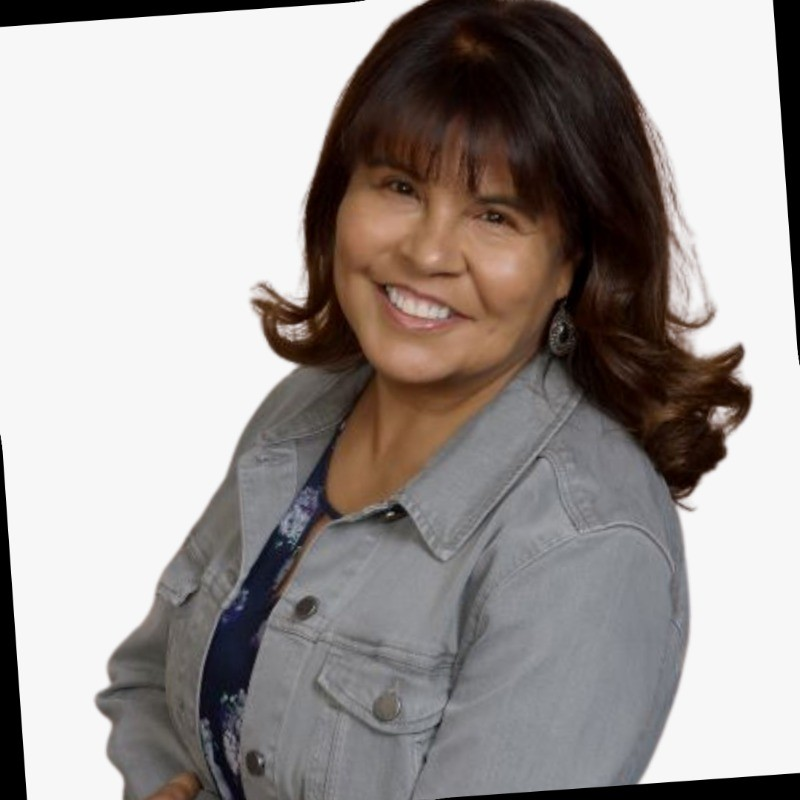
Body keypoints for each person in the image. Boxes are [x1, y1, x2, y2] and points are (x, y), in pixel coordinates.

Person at [96, 1, 752, 798]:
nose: (428, 251)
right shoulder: (302, 409)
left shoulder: (584, 549)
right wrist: (161, 778)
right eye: (400, 186)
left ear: (573, 261)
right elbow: (144, 681)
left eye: (495, 215)